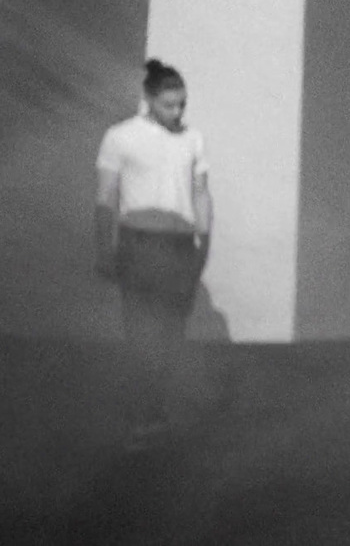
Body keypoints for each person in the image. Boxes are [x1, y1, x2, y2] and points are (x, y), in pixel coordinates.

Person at [95, 59, 214, 449]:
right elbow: (105, 199)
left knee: (170, 336)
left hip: (179, 248)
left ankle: (156, 414)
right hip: (139, 244)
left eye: (182, 104)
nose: (177, 112)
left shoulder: (193, 138)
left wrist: (204, 243)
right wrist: (103, 249)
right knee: (141, 335)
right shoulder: (120, 137)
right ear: (148, 99)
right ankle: (142, 417)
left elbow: (200, 193)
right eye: (169, 105)